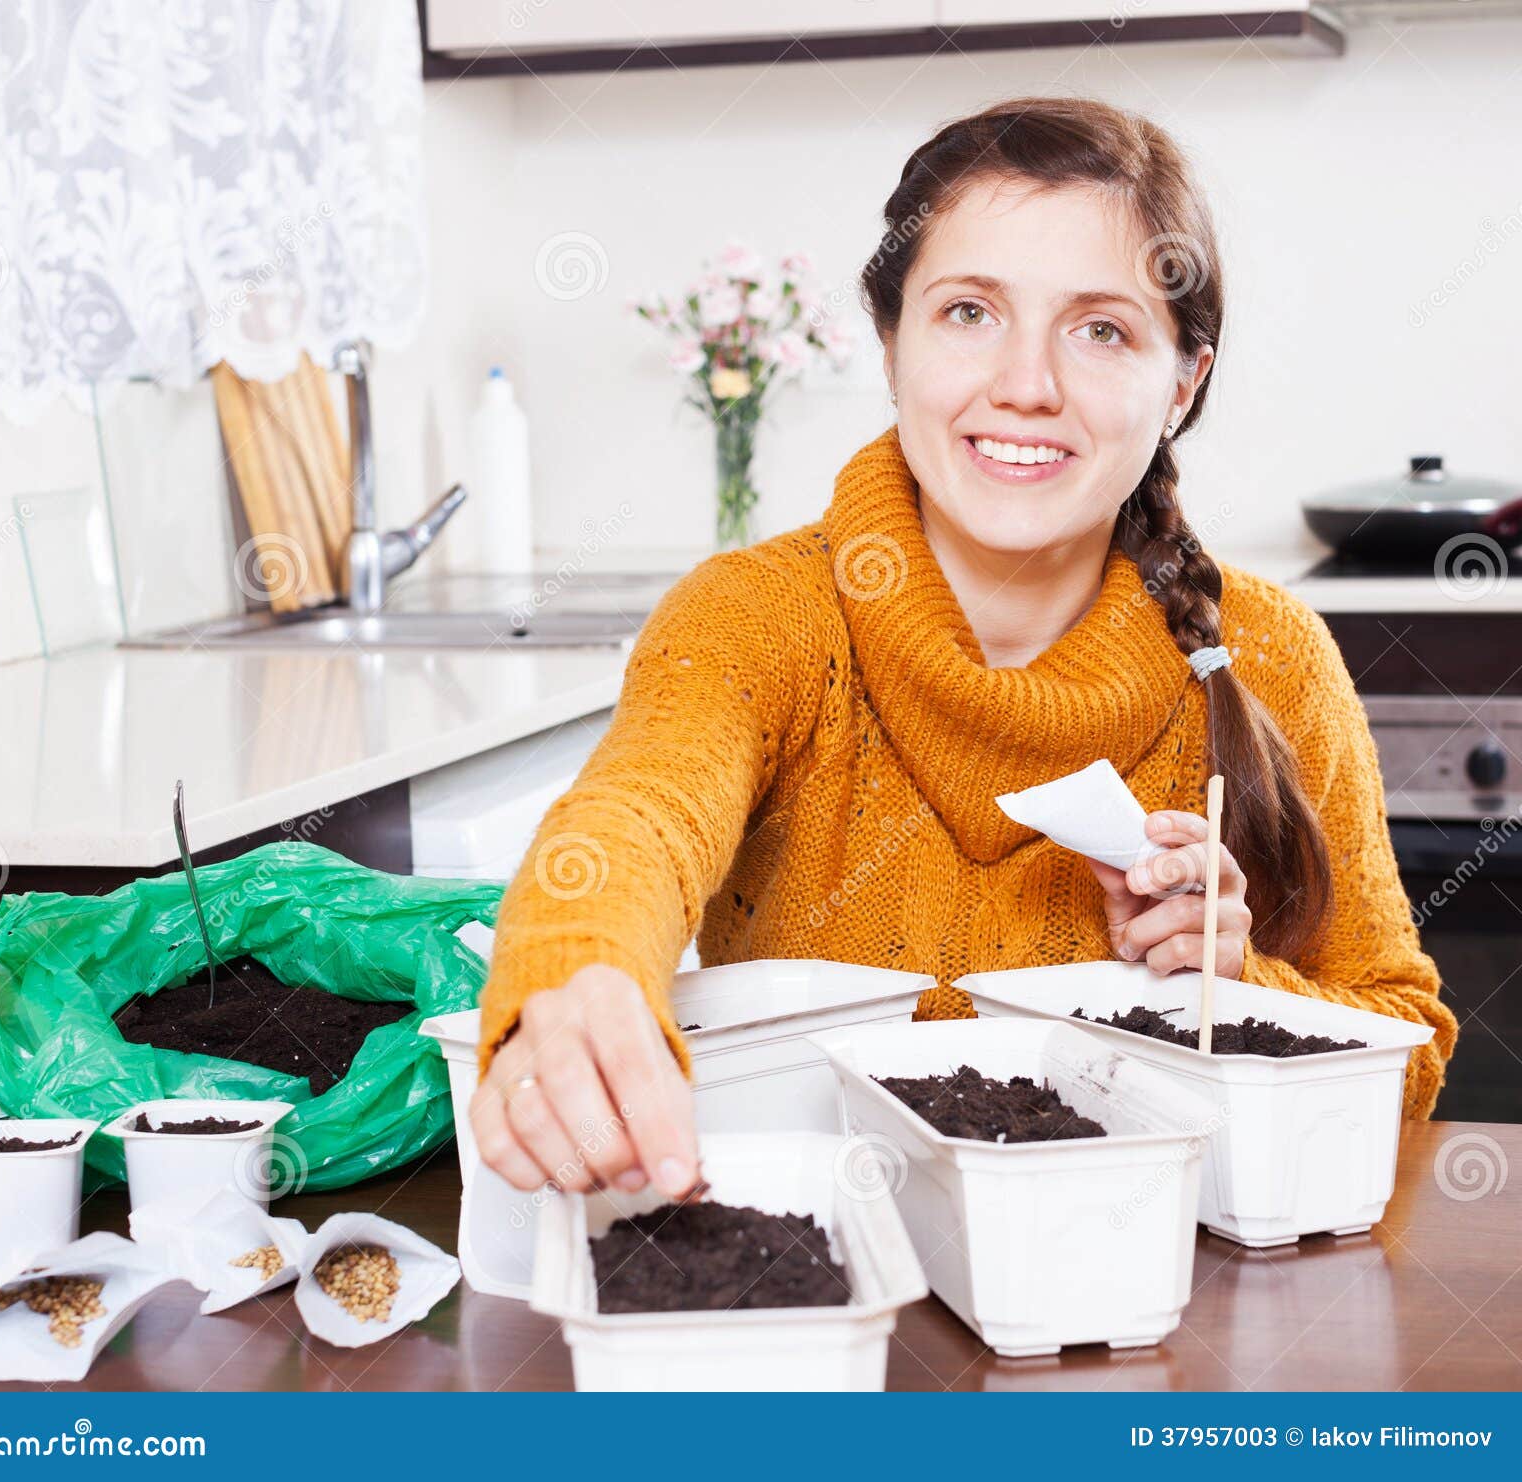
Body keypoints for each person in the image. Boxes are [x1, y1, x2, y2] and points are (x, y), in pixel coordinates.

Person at [469, 96, 1457, 1200]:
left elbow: (1407, 1059)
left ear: (1181, 382)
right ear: (890, 341)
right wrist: (577, 972)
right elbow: (638, 818)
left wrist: (1237, 989)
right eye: (968, 312)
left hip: (1164, 1309)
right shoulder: (758, 617)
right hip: (829, 1293)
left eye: (1100, 329)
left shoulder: (1268, 658)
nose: (1025, 384)